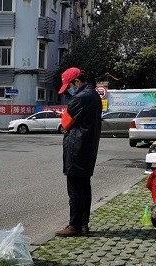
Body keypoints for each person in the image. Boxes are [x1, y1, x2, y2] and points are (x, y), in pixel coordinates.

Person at [55, 67, 102, 237]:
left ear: (77, 81)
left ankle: (74, 225)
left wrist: (64, 114)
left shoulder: (80, 98)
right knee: (84, 187)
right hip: (88, 148)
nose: (69, 90)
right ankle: (83, 224)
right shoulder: (94, 95)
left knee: (75, 189)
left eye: (69, 86)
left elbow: (66, 123)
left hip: (76, 149)